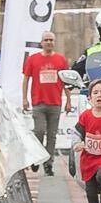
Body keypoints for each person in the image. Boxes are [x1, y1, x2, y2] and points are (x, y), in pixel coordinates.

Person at [19, 32, 69, 174]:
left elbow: (66, 82)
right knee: (39, 131)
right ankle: (36, 158)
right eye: (46, 40)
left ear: (54, 42)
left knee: (52, 135)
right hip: (38, 103)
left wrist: (68, 100)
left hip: (55, 103)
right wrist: (24, 98)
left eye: (51, 40)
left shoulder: (61, 60)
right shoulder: (33, 59)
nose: (48, 42)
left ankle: (49, 165)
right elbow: (26, 79)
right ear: (41, 42)